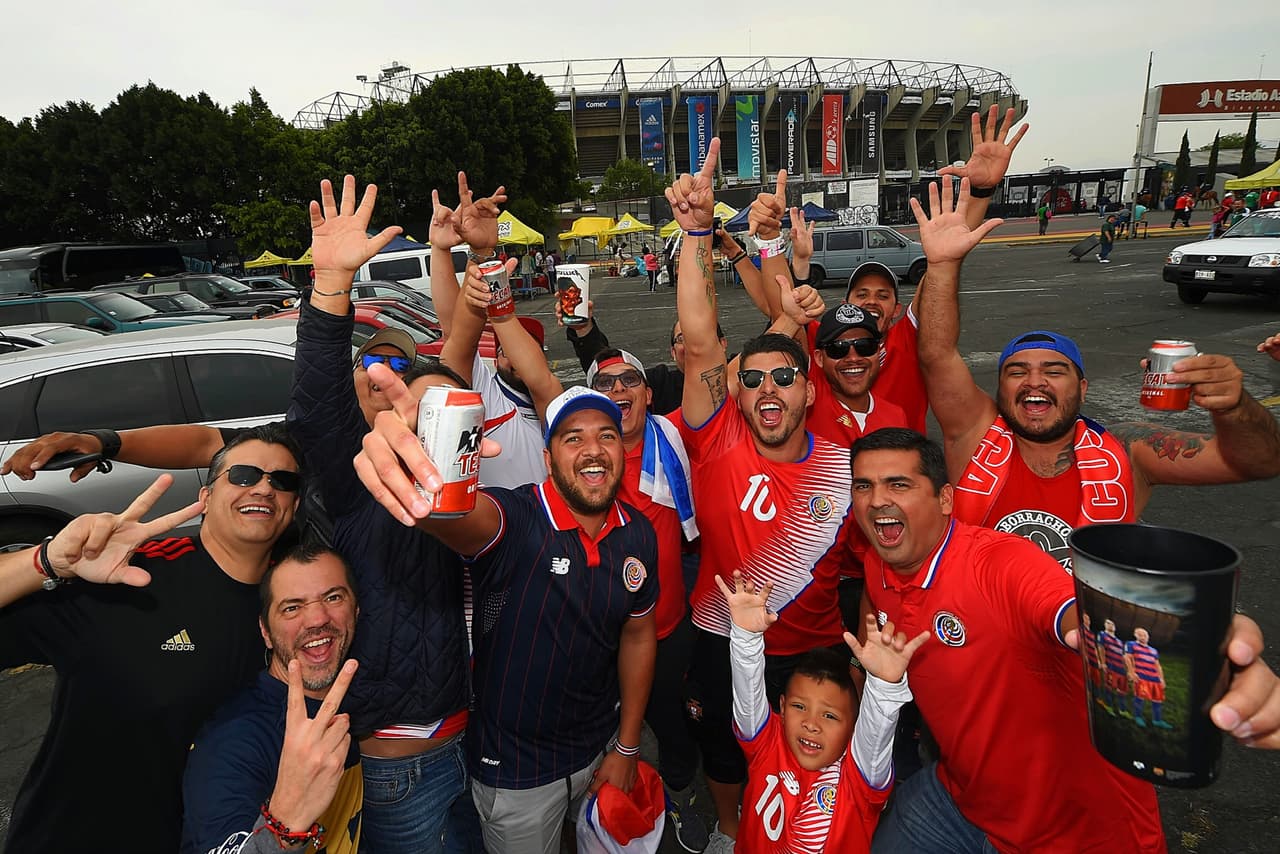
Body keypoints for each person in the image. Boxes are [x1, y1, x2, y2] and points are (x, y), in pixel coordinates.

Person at [351, 382, 658, 854]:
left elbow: (638, 636)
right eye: (573, 438)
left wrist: (627, 745)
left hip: (601, 750)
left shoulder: (637, 533)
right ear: (548, 457)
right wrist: (417, 469)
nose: (593, 450)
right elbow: (451, 513)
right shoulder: (518, 519)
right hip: (518, 772)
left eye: (606, 436)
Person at [912, 175, 1280, 569]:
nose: (1035, 381)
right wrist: (943, 266)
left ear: (1083, 388)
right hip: (979, 608)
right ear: (1000, 388)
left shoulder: (1129, 450)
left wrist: (1233, 407)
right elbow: (937, 354)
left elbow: (1260, 462)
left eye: (1054, 371)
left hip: (1084, 611)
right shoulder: (975, 432)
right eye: (1017, 372)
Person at [847, 428, 1165, 853]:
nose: (876, 500)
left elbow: (1067, 608)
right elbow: (876, 603)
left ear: (945, 499)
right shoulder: (879, 563)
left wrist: (1113, 633)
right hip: (961, 796)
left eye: (898, 484)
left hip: (1077, 831)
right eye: (863, 486)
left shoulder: (996, 563)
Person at [667, 137, 856, 853]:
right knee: (722, 749)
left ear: (810, 391)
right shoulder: (715, 439)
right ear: (734, 395)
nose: (766, 388)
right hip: (722, 635)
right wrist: (696, 233)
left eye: (783, 378)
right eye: (750, 380)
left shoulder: (842, 464)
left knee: (814, 761)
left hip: (811, 649)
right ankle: (728, 829)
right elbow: (700, 337)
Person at [0, 425, 303, 853]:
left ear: (295, 505)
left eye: (282, 481)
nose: (264, 488)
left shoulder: (295, 603)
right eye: (243, 476)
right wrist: (45, 561)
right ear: (205, 496)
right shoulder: (124, 575)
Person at [290, 176, 481, 853]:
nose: (416, 416)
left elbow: (464, 340)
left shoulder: (474, 504)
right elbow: (318, 408)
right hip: (403, 766)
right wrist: (330, 287)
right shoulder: (357, 488)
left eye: (435, 410)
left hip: (481, 750)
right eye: (405, 403)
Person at [790, 105, 1027, 435]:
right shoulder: (824, 340)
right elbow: (783, 308)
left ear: (897, 310)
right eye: (862, 294)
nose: (871, 301)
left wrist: (980, 191)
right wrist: (784, 253)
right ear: (845, 305)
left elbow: (943, 266)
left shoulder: (907, 339)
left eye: (883, 295)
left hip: (904, 463)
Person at [584, 348, 708, 852]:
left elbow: (712, 365)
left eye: (629, 380)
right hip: (598, 637)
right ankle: (598, 814)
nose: (618, 390)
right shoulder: (581, 457)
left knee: (671, 723)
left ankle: (680, 791)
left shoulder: (675, 435)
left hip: (665, 629)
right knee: (599, 733)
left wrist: (786, 318)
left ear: (649, 393)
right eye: (605, 384)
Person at [718, 570, 922, 852]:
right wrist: (745, 639)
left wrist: (884, 688)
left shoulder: (858, 782)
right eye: (799, 706)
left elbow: (876, 734)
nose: (811, 724)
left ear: (854, 727)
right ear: (782, 708)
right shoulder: (768, 744)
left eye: (830, 716)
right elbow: (747, 700)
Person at [180, 544, 363, 854]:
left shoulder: (356, 696)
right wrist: (286, 820)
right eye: (292, 607)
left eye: (333, 597)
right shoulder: (234, 741)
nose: (317, 618)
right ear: (265, 632)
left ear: (356, 612)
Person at [428, 175, 559, 490]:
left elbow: (540, 380)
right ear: (495, 357)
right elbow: (455, 335)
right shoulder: (487, 394)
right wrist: (458, 251)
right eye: (506, 351)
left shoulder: (557, 406)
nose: (514, 359)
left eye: (525, 349)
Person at [1125, 627, 1172, 729]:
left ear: (1148, 636)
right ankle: (1138, 717)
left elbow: (1158, 665)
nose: (1143, 637)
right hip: (1141, 676)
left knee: (1157, 699)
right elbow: (1127, 658)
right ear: (1135, 635)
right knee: (1140, 697)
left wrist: (1161, 679)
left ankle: (1157, 720)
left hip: (1154, 678)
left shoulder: (1153, 650)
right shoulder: (1131, 644)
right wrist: (1131, 672)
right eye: (1140, 634)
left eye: (1145, 635)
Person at [1099, 618, 1131, 717]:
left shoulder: (1120, 641)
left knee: (1122, 690)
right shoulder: (1102, 635)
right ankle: (1108, 706)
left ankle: (1122, 710)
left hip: (1121, 669)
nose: (1111, 625)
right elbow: (1101, 648)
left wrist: (1128, 671)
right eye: (1108, 623)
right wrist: (1103, 663)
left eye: (1112, 624)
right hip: (1110, 667)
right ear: (1105, 625)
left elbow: (1123, 656)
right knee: (1109, 688)